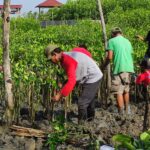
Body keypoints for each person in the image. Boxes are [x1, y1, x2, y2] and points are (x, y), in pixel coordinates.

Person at [44, 44, 103, 124]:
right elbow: (71, 75)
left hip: (93, 77)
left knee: (82, 103)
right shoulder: (65, 57)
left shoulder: (67, 60)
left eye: (51, 59)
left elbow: (72, 81)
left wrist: (60, 95)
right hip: (88, 76)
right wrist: (63, 86)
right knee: (89, 100)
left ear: (55, 54)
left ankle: (82, 126)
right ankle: (90, 122)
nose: (51, 62)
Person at [103, 27, 134, 114]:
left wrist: (103, 66)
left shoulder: (111, 41)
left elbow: (109, 57)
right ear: (121, 33)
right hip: (129, 68)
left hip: (119, 68)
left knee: (118, 91)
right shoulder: (128, 41)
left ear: (113, 34)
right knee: (126, 90)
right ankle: (127, 110)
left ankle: (121, 112)